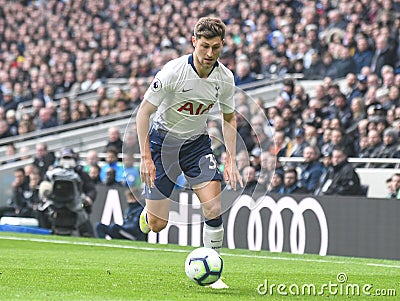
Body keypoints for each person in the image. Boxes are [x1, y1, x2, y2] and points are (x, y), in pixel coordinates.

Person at [136, 17, 242, 289]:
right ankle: (147, 217)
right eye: (204, 46)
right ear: (194, 42)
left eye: (216, 48)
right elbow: (143, 113)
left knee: (213, 205)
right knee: (158, 224)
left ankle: (213, 271)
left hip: (196, 144)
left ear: (222, 46)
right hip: (162, 144)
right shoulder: (172, 72)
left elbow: (228, 118)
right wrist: (146, 157)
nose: (209, 54)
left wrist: (231, 157)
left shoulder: (224, 78)